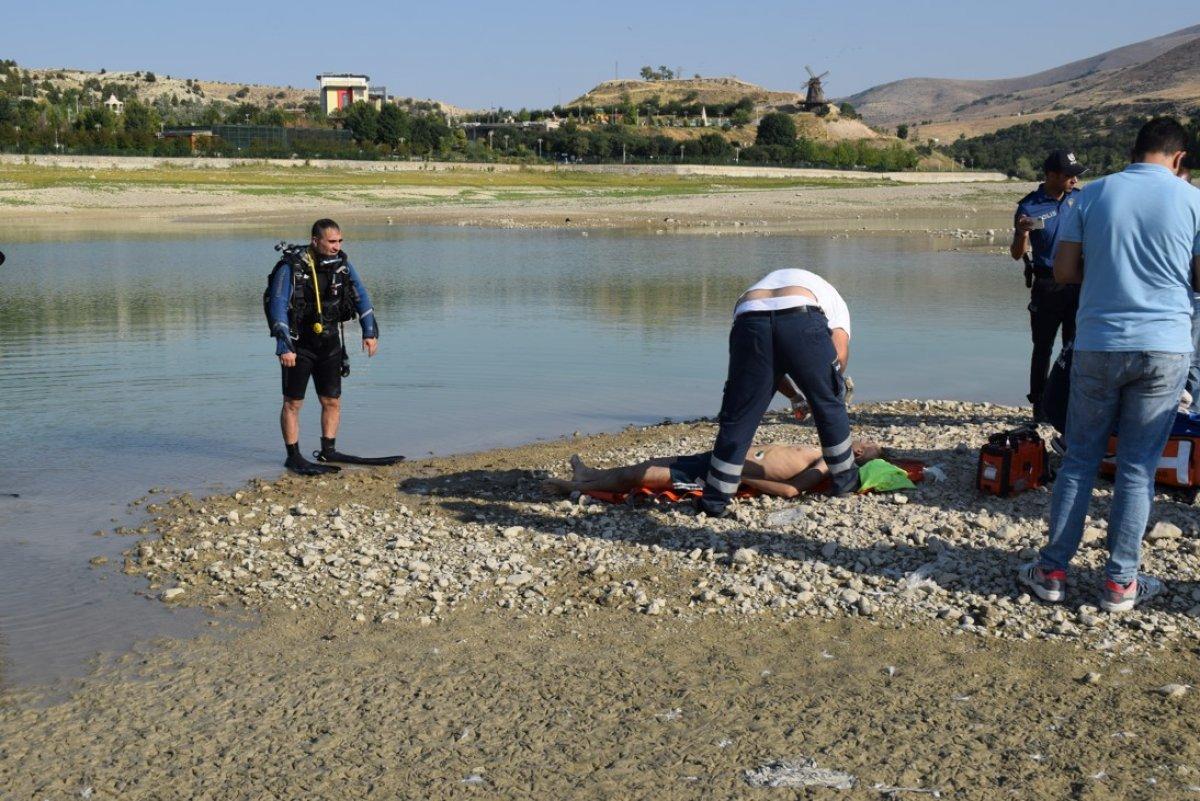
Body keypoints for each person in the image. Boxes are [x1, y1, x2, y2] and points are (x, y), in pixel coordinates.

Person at [1019, 118, 1200, 613]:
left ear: (1134, 151)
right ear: (1179, 159)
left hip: (1099, 342)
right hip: (1165, 348)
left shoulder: (1092, 196)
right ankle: (1120, 583)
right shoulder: (1194, 200)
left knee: (1079, 460)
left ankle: (1053, 572)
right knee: (1138, 470)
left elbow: (1063, 270)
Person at [697, 269, 857, 518]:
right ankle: (845, 484)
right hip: (801, 318)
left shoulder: (758, 289)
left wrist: (794, 396)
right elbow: (839, 355)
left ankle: (714, 500)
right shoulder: (836, 301)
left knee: (739, 416)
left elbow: (769, 371)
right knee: (829, 404)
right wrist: (823, 389)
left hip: (749, 318)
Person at [266, 219, 400, 475]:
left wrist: (369, 331)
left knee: (332, 401)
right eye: (331, 241)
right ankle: (293, 456)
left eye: (340, 241)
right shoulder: (291, 267)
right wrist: (284, 346)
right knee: (293, 403)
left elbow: (361, 295)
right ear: (316, 241)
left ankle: (328, 450)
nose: (337, 246)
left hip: (329, 344)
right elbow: (278, 306)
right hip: (298, 346)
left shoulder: (342, 265)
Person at [1010, 149, 1086, 420]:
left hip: (1078, 284)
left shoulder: (1081, 200)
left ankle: (1070, 403)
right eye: (1069, 176)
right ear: (1051, 175)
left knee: (1076, 345)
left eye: (1076, 175)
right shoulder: (1029, 206)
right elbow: (1017, 253)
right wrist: (1022, 233)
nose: (1074, 181)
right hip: (1047, 285)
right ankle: (1039, 405)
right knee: (1042, 347)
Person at [544, 439, 883, 498]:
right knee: (652, 464)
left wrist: (738, 477)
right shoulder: (822, 446)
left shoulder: (826, 461)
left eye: (864, 448)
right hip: (721, 455)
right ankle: (589, 475)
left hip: (725, 470)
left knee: (644, 477)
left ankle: (578, 488)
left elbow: (791, 489)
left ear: (860, 457)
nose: (859, 443)